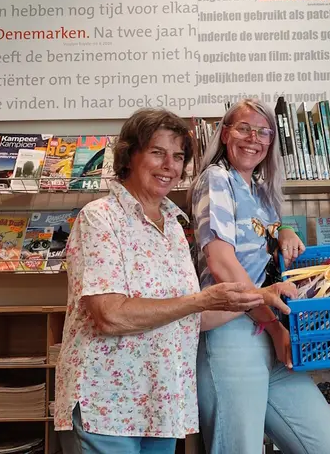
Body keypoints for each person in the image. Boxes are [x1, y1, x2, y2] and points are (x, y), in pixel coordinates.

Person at [54, 108, 296, 454]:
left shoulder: (173, 224)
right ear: (129, 155)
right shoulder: (100, 218)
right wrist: (201, 300)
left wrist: (260, 295)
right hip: (107, 406)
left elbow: (192, 318)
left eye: (179, 156)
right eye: (157, 152)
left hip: (161, 406)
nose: (170, 165)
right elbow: (109, 315)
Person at [189, 98, 330, 454]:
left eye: (263, 132)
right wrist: (276, 326)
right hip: (231, 331)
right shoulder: (216, 179)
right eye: (243, 128)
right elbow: (222, 263)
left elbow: (262, 231)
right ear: (225, 133)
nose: (253, 138)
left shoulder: (261, 190)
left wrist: (285, 231)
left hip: (268, 331)